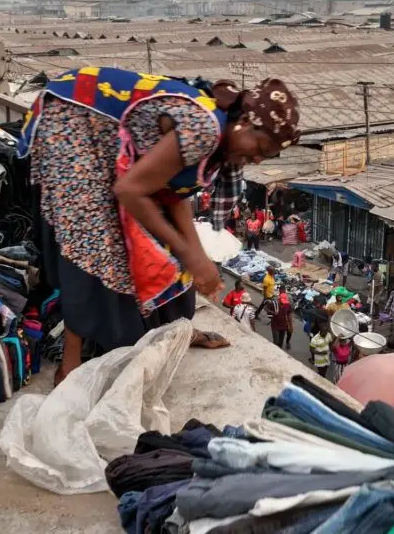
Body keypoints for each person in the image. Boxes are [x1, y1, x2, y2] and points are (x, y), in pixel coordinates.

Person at [20, 67, 301, 384]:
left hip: (113, 143)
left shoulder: (222, 143)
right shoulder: (204, 130)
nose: (259, 160)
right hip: (73, 120)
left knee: (165, 246)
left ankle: (174, 330)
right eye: (261, 149)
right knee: (96, 247)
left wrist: (195, 256)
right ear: (246, 122)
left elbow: (171, 197)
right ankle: (70, 362)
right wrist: (190, 254)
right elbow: (129, 191)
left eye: (268, 156)